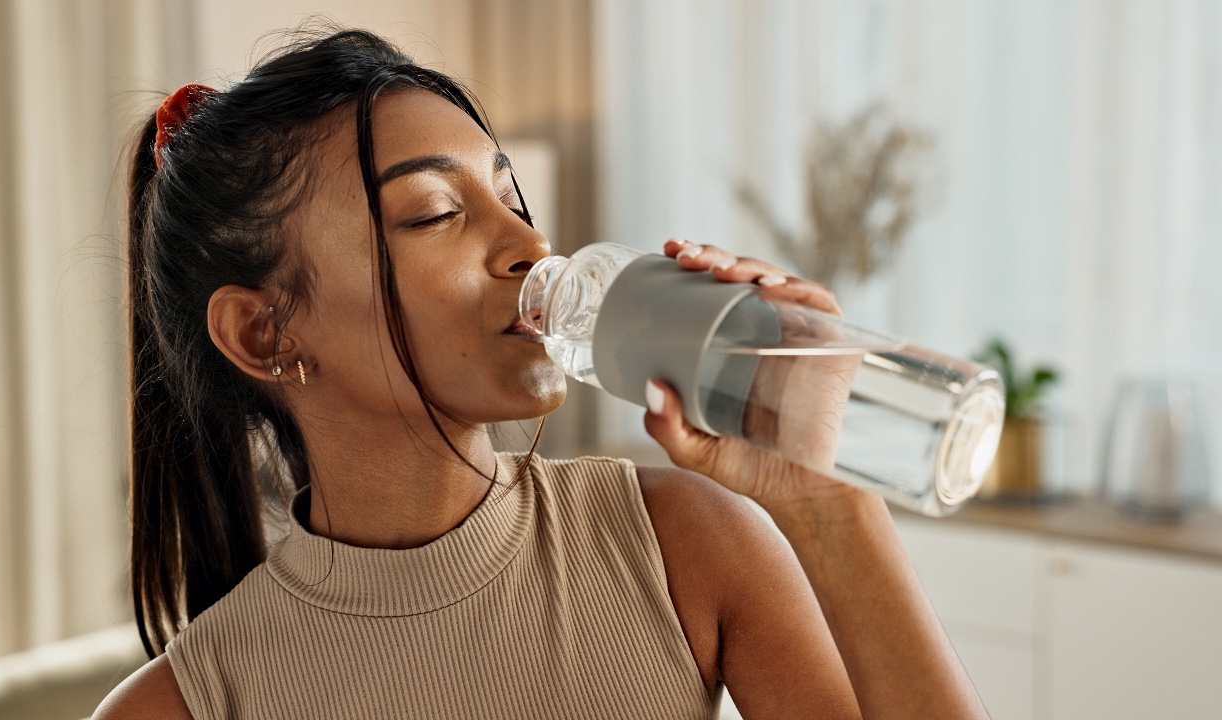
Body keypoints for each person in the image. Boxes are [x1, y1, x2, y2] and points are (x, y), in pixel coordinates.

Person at [94, 28, 987, 720]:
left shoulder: (680, 543)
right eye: (437, 211)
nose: (530, 244)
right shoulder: (187, 704)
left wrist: (828, 506)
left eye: (511, 195)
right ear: (263, 329)